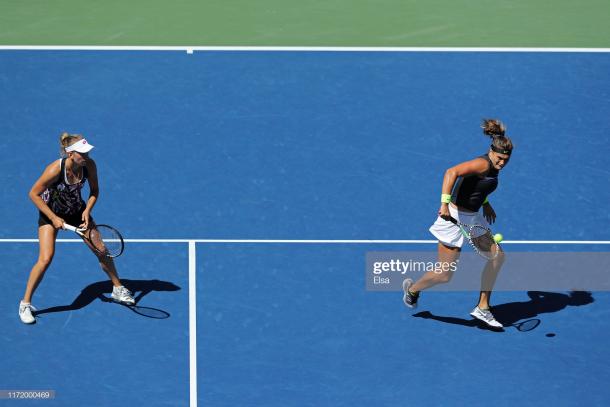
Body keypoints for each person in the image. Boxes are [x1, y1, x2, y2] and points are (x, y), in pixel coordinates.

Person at [402, 119, 513, 328]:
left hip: (472, 217)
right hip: (452, 218)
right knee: (444, 275)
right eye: (499, 159)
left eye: (506, 160)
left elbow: (475, 187)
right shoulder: (482, 163)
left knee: (498, 257)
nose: (502, 164)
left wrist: (486, 203)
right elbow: (451, 172)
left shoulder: (493, 167)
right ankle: (413, 290)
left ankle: (483, 307)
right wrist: (444, 204)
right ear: (491, 152)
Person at [19, 133, 134, 324]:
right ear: (70, 153)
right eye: (82, 153)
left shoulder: (89, 165)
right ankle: (25, 303)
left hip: (77, 212)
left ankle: (117, 289)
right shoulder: (55, 169)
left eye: (87, 152)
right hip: (50, 213)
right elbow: (33, 193)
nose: (86, 156)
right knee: (46, 258)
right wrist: (54, 218)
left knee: (102, 250)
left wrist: (87, 210)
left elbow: (95, 191)